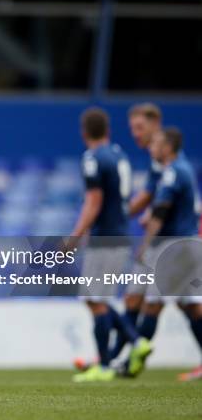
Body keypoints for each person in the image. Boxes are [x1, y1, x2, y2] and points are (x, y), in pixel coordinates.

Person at [69, 108, 151, 382]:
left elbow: (94, 201)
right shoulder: (118, 154)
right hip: (120, 234)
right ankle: (134, 341)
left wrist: (76, 235)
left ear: (83, 133)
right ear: (107, 130)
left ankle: (106, 364)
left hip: (105, 237)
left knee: (96, 300)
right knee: (96, 298)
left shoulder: (93, 158)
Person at [136, 128, 202, 381]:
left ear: (168, 147)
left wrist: (145, 246)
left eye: (157, 144)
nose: (152, 147)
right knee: (190, 306)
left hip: (175, 246)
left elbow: (161, 213)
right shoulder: (179, 170)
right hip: (186, 244)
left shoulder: (173, 172)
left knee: (153, 302)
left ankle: (131, 359)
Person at [107, 103, 163, 363]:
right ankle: (115, 361)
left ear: (155, 125)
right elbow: (153, 196)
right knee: (133, 298)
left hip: (168, 241)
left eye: (140, 127)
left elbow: (157, 197)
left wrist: (120, 214)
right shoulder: (156, 160)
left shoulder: (166, 159)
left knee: (166, 305)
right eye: (132, 129)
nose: (135, 133)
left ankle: (119, 362)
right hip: (159, 239)